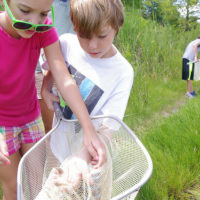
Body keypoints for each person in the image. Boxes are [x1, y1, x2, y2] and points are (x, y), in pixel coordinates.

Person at [0, 0, 106, 199]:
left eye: (43, 13)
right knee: (14, 188)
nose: (34, 22)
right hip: (1, 125)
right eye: (24, 11)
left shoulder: (44, 29)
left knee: (36, 184)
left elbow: (63, 78)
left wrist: (89, 129)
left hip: (30, 118)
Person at [41, 0, 134, 191]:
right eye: (83, 35)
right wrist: (45, 87)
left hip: (88, 155)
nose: (92, 45)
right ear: (74, 26)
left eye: (102, 35)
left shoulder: (123, 72)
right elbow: (55, 69)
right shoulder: (67, 42)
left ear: (118, 26)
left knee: (81, 190)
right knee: (54, 186)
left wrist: (81, 157)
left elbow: (109, 127)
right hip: (58, 142)